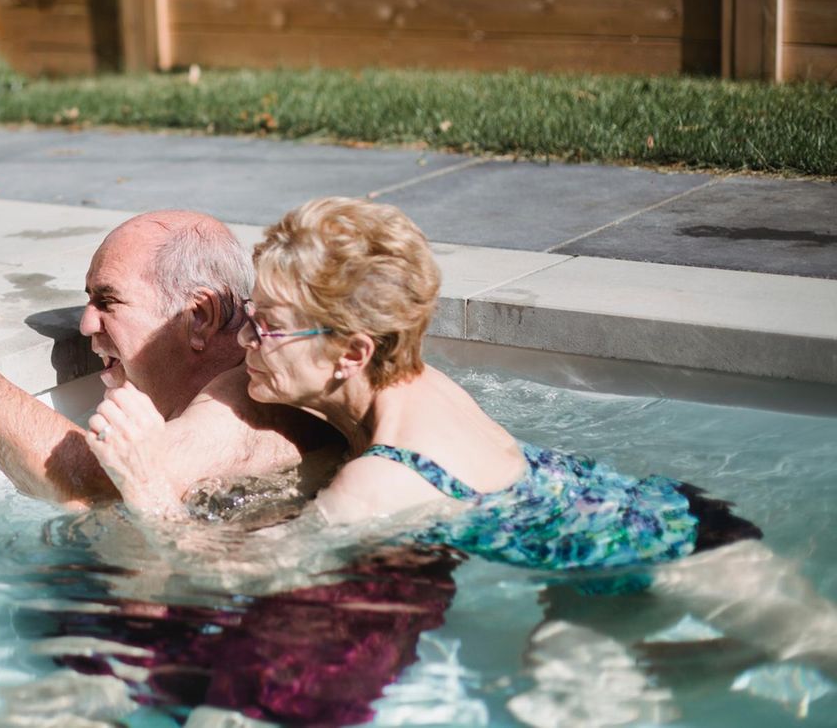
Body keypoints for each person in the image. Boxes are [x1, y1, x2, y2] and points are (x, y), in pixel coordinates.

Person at [90, 196, 837, 675]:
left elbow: (239, 577)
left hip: (679, 548)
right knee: (559, 684)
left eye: (268, 326)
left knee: (822, 650)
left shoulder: (382, 478)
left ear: (351, 353)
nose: (246, 338)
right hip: (600, 548)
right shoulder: (403, 381)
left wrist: (149, 490)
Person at [0, 209, 340, 510]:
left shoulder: (248, 394)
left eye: (107, 302)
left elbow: (89, 483)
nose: (85, 325)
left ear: (199, 316)